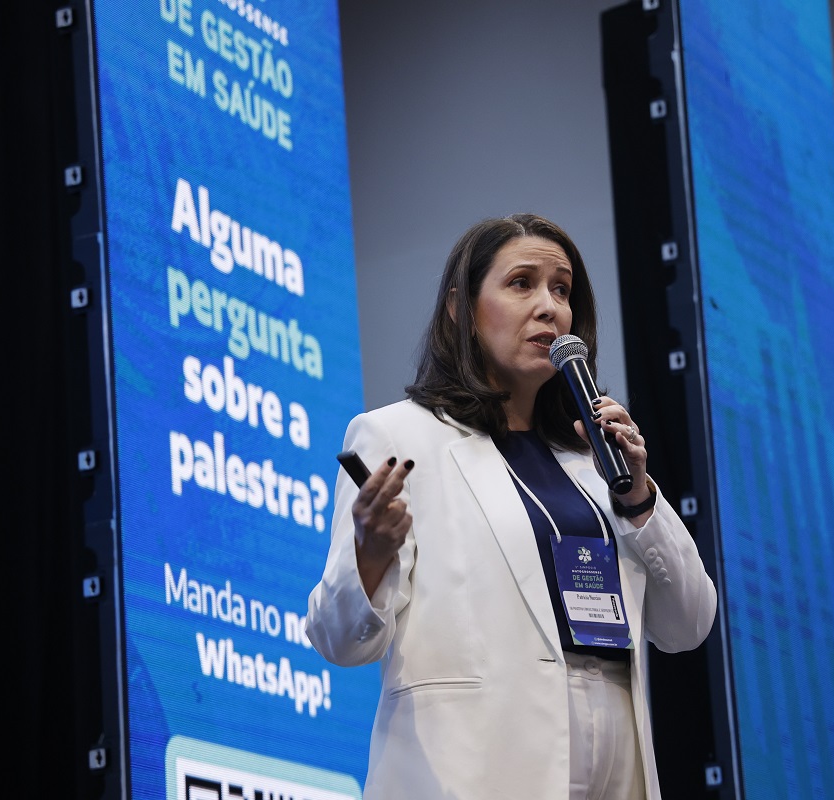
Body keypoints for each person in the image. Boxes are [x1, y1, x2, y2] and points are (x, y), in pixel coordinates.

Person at [306, 214, 717, 800]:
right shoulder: (398, 436)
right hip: (474, 762)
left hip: (617, 750)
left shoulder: (596, 455)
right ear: (460, 308)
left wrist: (638, 497)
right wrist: (369, 555)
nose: (549, 307)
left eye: (562, 290)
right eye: (522, 283)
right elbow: (340, 640)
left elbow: (689, 624)